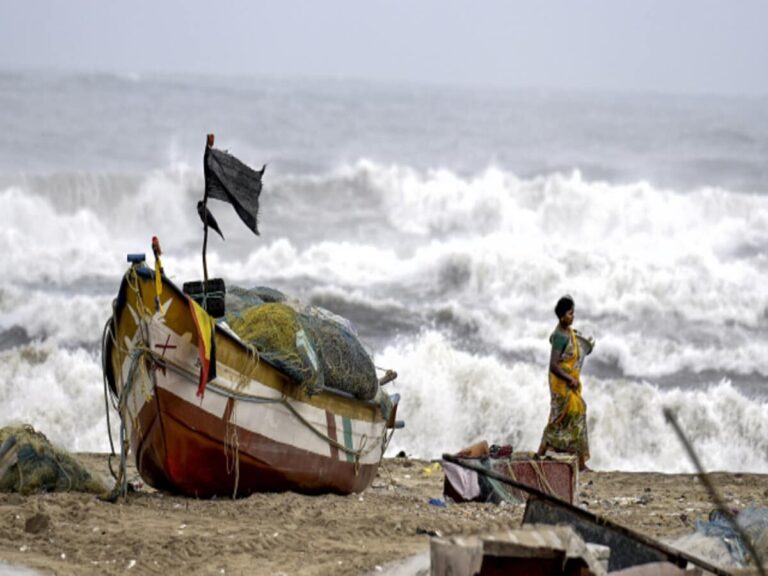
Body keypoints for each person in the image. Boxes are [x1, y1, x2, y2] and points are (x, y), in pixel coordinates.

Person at [537, 295, 592, 471]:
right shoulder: (560, 336)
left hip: (570, 384)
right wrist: (569, 378)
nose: (572, 316)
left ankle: (580, 462)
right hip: (561, 386)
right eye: (570, 314)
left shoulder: (570, 333)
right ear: (561, 316)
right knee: (558, 419)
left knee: (576, 414)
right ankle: (544, 449)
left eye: (573, 313)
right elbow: (553, 365)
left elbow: (574, 353)